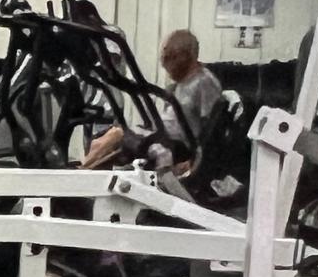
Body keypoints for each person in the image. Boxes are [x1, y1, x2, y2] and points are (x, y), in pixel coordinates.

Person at [80, 28, 222, 171]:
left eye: (169, 58)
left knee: (118, 135)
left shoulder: (204, 82)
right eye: (164, 58)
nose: (164, 64)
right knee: (111, 137)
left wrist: (193, 163)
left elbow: (211, 130)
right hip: (160, 135)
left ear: (185, 56)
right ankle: (85, 169)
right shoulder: (180, 85)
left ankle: (83, 170)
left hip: (176, 145)